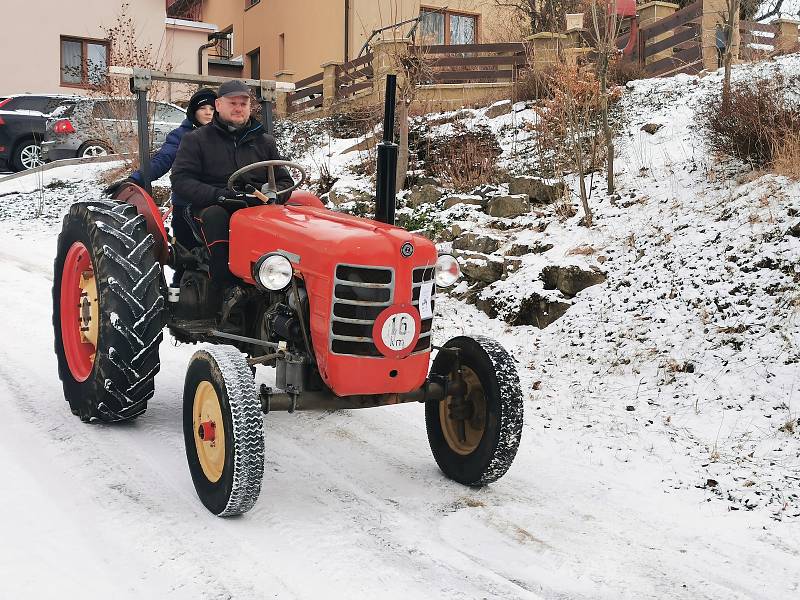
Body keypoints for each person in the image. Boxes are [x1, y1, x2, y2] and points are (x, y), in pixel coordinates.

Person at [170, 79, 293, 313]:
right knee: (218, 217)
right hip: (212, 205)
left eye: (243, 103)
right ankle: (224, 290)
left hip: (258, 206)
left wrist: (273, 193)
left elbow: (284, 179)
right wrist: (219, 195)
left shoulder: (263, 141)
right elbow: (181, 181)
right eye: (232, 103)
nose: (238, 108)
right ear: (218, 105)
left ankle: (282, 282)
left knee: (297, 215)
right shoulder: (197, 140)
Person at [106, 87, 217, 251]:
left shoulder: (223, 135)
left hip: (218, 199)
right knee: (187, 253)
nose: (208, 113)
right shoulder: (181, 136)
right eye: (203, 108)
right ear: (193, 111)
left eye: (212, 109)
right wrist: (136, 179)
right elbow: (163, 159)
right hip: (187, 204)